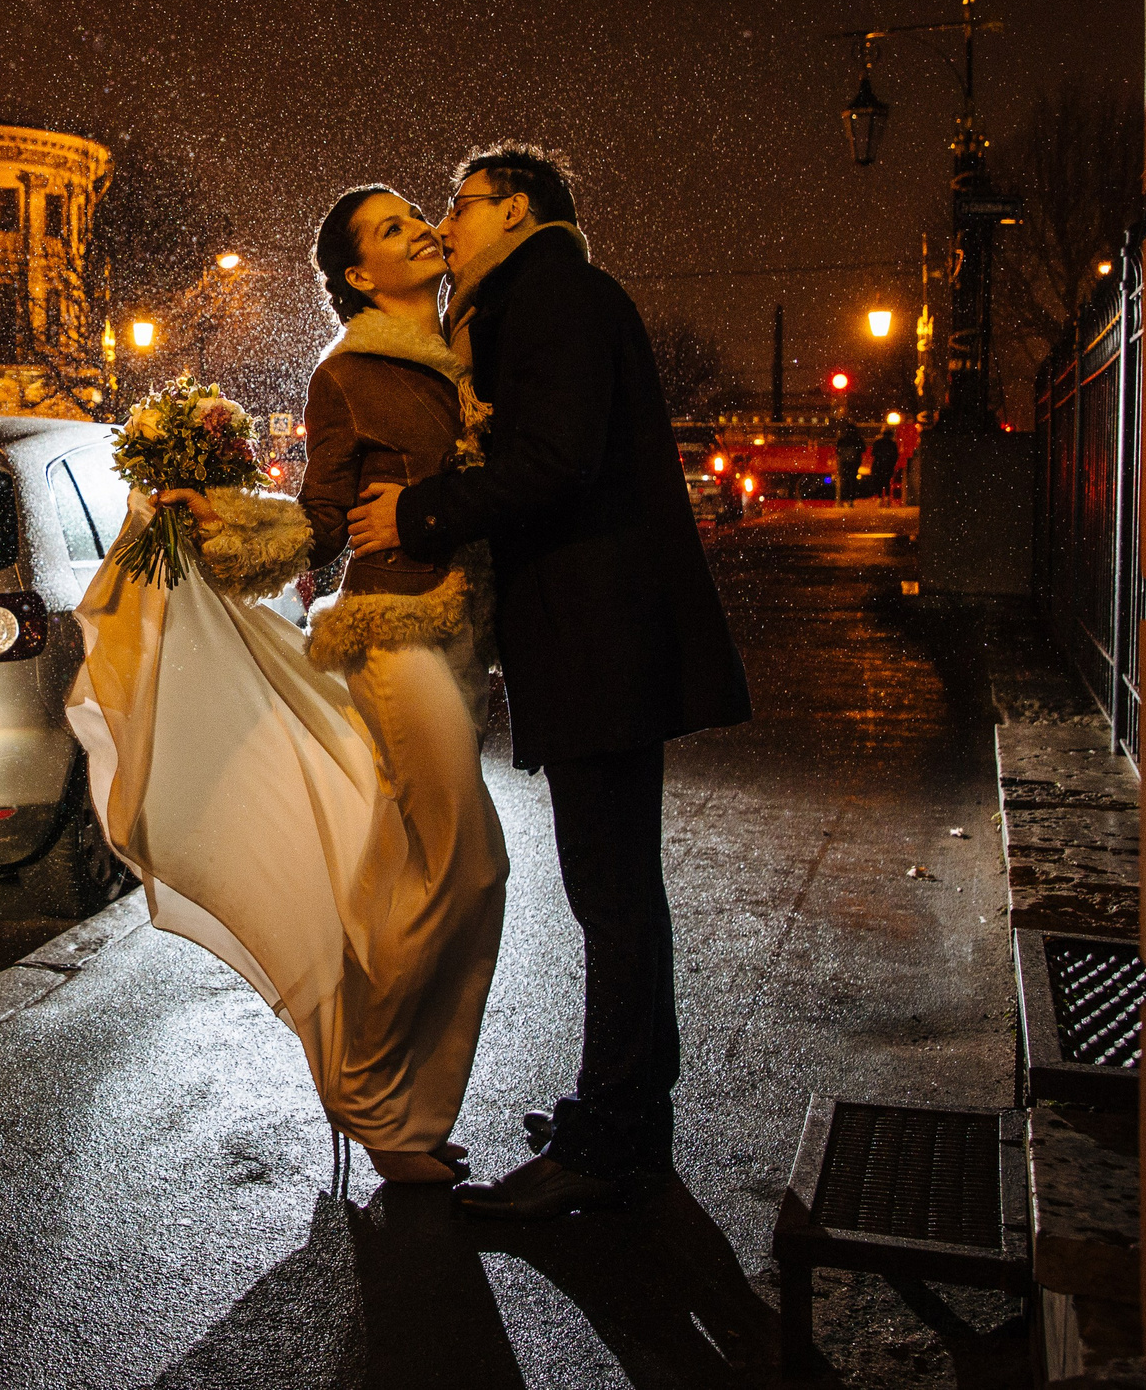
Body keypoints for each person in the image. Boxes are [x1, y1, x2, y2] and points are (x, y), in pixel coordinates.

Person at [348, 144, 750, 1219]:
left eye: (459, 203)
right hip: (600, 635)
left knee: (611, 895)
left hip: (600, 636)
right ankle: (623, 1115)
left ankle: (610, 1142)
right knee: (617, 893)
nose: (446, 223)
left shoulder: (552, 296)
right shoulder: (545, 299)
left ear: (514, 211)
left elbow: (556, 460)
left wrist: (419, 514)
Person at [74, 185, 504, 1188]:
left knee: (415, 872)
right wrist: (218, 516)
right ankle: (365, 1090)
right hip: (390, 631)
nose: (422, 230)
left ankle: (409, 1113)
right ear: (358, 277)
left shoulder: (462, 352)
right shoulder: (349, 372)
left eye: (418, 217)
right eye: (394, 230)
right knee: (466, 866)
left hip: (458, 639)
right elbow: (317, 520)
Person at [833, 423, 865, 506]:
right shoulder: (858, 439)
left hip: (844, 462)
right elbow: (863, 449)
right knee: (852, 480)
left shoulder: (842, 439)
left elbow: (838, 450)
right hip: (854, 462)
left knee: (845, 480)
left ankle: (844, 498)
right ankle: (851, 499)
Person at [867, 426, 900, 503]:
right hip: (888, 465)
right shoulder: (892, 444)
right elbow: (895, 455)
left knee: (878, 482)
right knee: (887, 482)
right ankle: (887, 498)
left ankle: (879, 497)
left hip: (878, 465)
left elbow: (873, 453)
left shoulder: (878, 442)